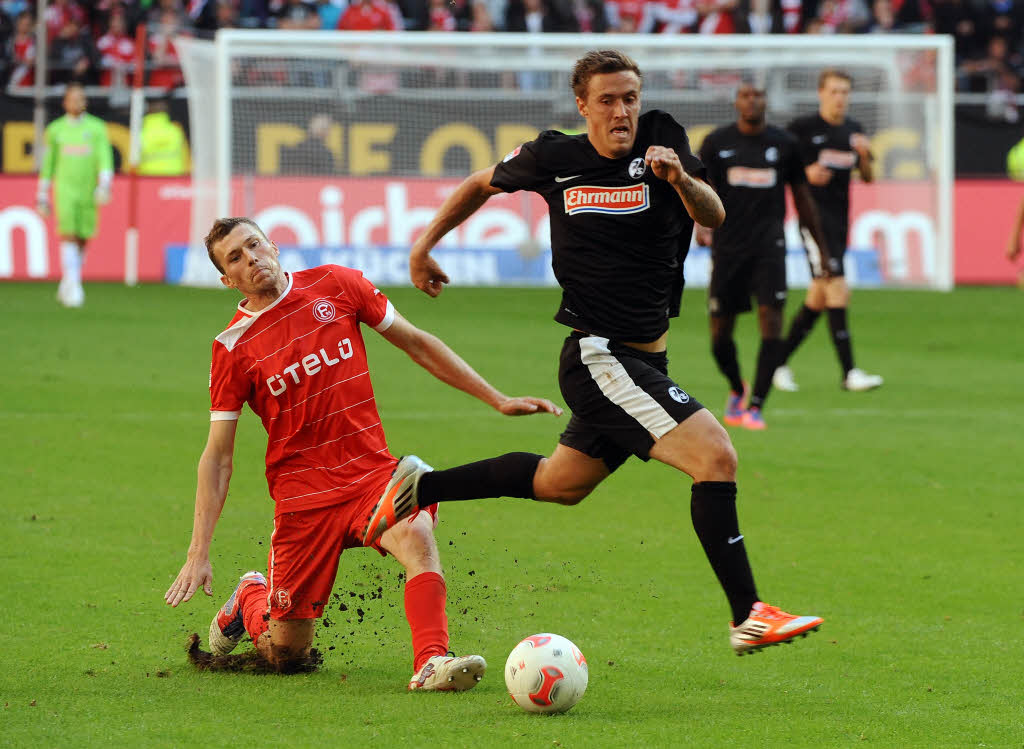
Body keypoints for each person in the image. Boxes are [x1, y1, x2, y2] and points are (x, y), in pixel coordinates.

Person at [367, 50, 824, 656]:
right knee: (715, 455)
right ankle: (750, 614)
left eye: (629, 98)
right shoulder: (553, 156)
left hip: (643, 361)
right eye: (607, 100)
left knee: (560, 484)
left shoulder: (664, 139)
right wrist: (425, 243)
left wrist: (682, 179)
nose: (622, 111)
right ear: (583, 105)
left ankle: (420, 488)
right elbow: (481, 183)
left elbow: (715, 214)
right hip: (597, 356)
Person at [164, 217, 564, 685]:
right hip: (303, 500)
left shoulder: (338, 285)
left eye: (254, 245)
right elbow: (218, 457)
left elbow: (416, 342)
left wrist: (495, 397)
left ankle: (431, 661)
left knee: (416, 536)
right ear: (226, 279)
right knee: (286, 655)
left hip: (372, 476)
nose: (250, 258)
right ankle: (250, 595)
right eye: (235, 257)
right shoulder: (232, 348)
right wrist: (198, 551)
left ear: (272, 245)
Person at [696, 82, 832, 430]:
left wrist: (821, 249)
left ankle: (756, 404)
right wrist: (699, 226)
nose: (752, 101)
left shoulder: (784, 144)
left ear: (766, 102)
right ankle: (736, 386)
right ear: (736, 101)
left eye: (758, 95)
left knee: (771, 321)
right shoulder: (716, 142)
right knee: (719, 337)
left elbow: (803, 200)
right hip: (728, 248)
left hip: (769, 247)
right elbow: (697, 190)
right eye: (745, 95)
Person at [773, 68, 884, 393]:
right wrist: (806, 173)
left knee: (818, 298)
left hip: (839, 222)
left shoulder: (853, 131)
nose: (840, 98)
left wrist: (864, 156)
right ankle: (849, 373)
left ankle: (776, 362)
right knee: (837, 288)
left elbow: (867, 178)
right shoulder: (802, 129)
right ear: (822, 93)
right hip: (813, 223)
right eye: (834, 91)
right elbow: (778, 168)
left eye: (845, 92)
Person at [37, 82, 114, 308]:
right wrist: (42, 193)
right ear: (65, 102)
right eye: (74, 98)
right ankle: (75, 285)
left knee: (82, 237)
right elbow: (48, 164)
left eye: (82, 98)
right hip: (65, 190)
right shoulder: (56, 130)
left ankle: (68, 281)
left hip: (88, 190)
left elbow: (104, 158)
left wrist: (105, 184)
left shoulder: (97, 128)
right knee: (68, 234)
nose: (79, 102)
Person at [138, 98, 189, 176]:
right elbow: (186, 157)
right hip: (175, 180)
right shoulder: (176, 130)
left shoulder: (140, 133)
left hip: (147, 180)